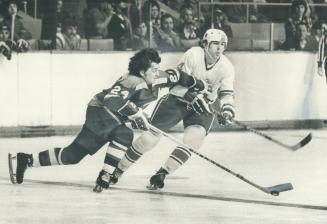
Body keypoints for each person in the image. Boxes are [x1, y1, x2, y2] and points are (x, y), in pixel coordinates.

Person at [9, 48, 208, 186]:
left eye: (158, 67)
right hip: (100, 113)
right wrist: (136, 113)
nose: (158, 73)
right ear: (141, 71)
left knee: (72, 156)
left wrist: (198, 86)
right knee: (124, 135)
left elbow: (180, 77)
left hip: (115, 117)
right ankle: (106, 174)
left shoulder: (160, 76)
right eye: (153, 69)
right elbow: (113, 100)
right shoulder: (131, 80)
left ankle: (26, 160)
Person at [102, 28, 235, 191]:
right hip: (178, 99)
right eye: (215, 44)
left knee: (193, 140)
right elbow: (177, 82)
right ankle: (118, 170)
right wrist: (191, 96)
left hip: (203, 106)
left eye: (223, 44)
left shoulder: (227, 67)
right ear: (205, 44)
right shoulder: (193, 54)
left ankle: (162, 173)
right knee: (149, 139)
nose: (220, 48)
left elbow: (227, 93)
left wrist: (227, 110)